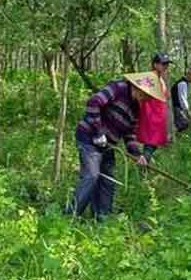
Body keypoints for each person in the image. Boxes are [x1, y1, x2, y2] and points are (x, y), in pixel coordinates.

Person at [66, 72, 165, 220]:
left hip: (108, 145)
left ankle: (101, 218)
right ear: (139, 88)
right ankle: (70, 217)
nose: (145, 99)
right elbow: (93, 102)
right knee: (92, 176)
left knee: (108, 180)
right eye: (145, 95)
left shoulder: (136, 108)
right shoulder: (118, 88)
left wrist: (137, 154)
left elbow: (129, 133)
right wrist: (98, 132)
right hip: (89, 137)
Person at [136, 53, 172, 160]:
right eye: (163, 64)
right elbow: (138, 94)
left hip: (158, 118)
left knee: (153, 144)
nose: (166, 66)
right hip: (150, 117)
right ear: (155, 64)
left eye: (167, 64)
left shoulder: (160, 78)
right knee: (150, 144)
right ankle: (143, 167)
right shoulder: (149, 78)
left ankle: (144, 165)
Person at [171, 68, 191, 132]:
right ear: (189, 74)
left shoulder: (182, 82)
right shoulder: (183, 83)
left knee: (180, 124)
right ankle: (170, 136)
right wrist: (188, 111)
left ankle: (172, 136)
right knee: (184, 124)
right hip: (176, 107)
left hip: (175, 107)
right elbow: (182, 99)